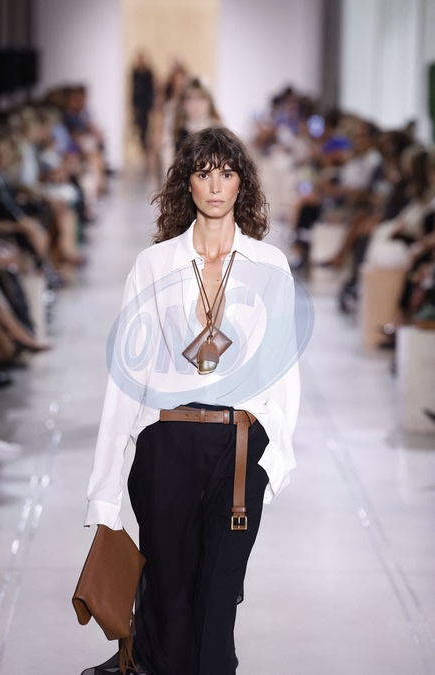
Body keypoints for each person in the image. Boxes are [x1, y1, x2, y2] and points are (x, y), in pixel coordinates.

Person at [82, 127, 300, 675]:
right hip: (167, 444)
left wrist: (274, 461)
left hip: (239, 448)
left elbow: (284, 373)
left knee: (217, 608)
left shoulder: (269, 266)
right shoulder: (153, 265)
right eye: (203, 173)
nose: (216, 185)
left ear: (243, 183)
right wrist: (104, 491)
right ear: (187, 182)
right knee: (168, 604)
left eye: (227, 173)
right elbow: (126, 377)